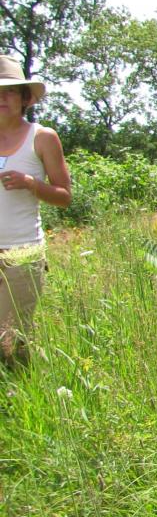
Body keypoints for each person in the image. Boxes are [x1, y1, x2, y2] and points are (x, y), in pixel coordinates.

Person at [0, 56, 72, 367]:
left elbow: (64, 196)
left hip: (22, 252)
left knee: (11, 339)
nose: (2, 99)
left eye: (10, 91)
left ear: (25, 97)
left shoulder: (42, 138)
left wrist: (31, 183)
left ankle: (20, 401)